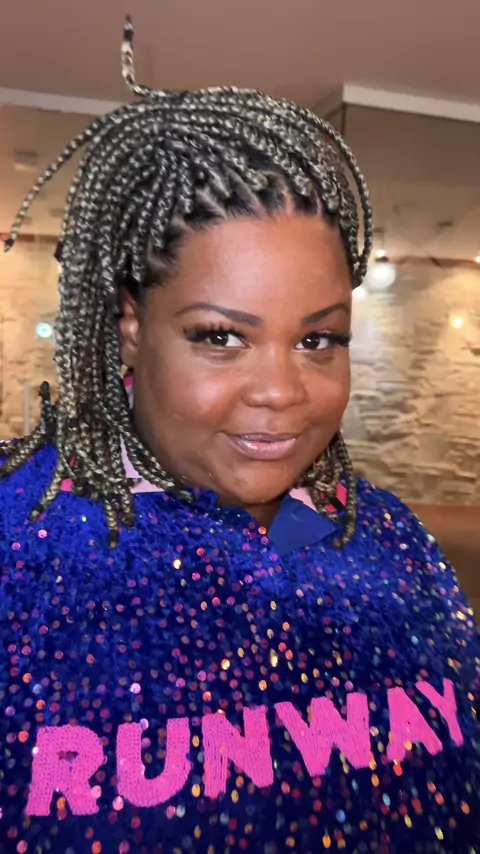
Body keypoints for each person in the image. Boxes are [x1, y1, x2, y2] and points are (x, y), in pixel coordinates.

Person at [0, 17, 479, 854]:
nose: (282, 392)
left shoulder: (387, 538)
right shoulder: (21, 553)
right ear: (131, 330)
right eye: (220, 336)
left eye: (318, 338)